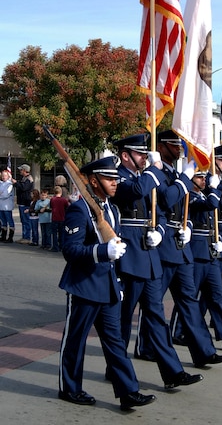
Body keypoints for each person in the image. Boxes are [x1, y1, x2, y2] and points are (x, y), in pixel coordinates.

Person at [58, 155, 156, 411]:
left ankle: (128, 391)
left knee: (115, 343)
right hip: (85, 285)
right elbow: (70, 250)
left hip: (109, 286)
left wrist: (119, 282)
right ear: (93, 181)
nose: (115, 182)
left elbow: (114, 246)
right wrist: (102, 252)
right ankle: (70, 388)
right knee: (75, 341)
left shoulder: (110, 209)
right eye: (109, 178)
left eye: (116, 178)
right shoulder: (79, 209)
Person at [111, 133, 203, 389]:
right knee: (123, 317)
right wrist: (154, 169)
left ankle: (173, 372)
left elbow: (161, 212)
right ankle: (115, 367)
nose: (144, 158)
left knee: (156, 317)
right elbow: (135, 192)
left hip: (150, 257)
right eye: (140, 154)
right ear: (125, 155)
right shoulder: (119, 177)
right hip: (129, 256)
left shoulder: (146, 177)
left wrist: (160, 231)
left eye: (145, 154)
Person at [136, 130, 222, 369]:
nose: (180, 149)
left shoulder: (176, 175)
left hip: (181, 247)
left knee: (189, 301)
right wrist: (184, 179)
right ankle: (145, 346)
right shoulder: (157, 175)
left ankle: (204, 351)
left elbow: (183, 208)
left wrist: (187, 225)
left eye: (180, 145)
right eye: (175, 145)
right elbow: (166, 201)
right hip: (163, 246)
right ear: (163, 147)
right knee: (154, 303)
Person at [170, 168, 222, 351]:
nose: (203, 180)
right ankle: (178, 331)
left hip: (210, 251)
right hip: (196, 253)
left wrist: (217, 239)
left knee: (217, 296)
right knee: (189, 296)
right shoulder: (190, 197)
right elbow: (211, 205)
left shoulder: (204, 196)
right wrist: (215, 189)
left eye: (204, 177)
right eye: (199, 177)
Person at [12, 164, 33, 244]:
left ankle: (27, 237)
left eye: (21, 170)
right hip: (21, 202)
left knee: (26, 220)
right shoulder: (24, 178)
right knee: (23, 221)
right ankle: (24, 236)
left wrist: (16, 183)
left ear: (25, 170)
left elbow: (24, 188)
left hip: (25, 202)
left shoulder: (29, 179)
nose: (20, 171)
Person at [50, 185, 70, 251]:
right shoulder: (64, 200)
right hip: (62, 218)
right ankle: (61, 246)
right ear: (61, 192)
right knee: (61, 233)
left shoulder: (52, 199)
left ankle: (55, 247)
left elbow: (51, 207)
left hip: (54, 218)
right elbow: (67, 208)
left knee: (54, 233)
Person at [0, 168, 15, 243]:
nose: (3, 177)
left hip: (7, 206)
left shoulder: (9, 184)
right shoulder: (1, 183)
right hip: (1, 206)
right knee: (3, 221)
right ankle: (3, 236)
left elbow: (6, 194)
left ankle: (10, 237)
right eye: (2, 175)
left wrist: (1, 194)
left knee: (10, 221)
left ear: (8, 176)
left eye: (5, 176)